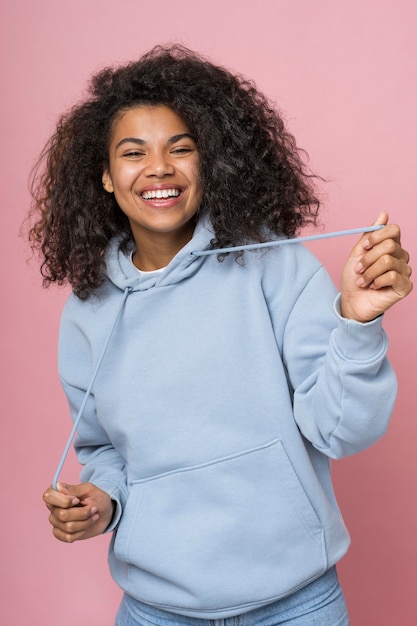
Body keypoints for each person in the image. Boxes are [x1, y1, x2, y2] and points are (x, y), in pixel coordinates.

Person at [29, 45, 412, 625]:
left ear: (212, 162)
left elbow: (342, 430)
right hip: (155, 611)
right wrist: (101, 502)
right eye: (134, 153)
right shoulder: (87, 312)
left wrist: (357, 322)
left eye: (181, 148)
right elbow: (104, 451)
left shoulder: (271, 264)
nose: (159, 168)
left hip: (296, 606)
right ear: (105, 176)